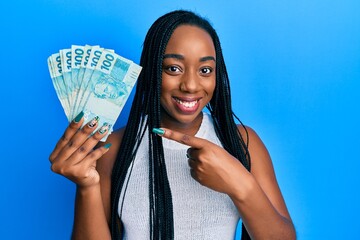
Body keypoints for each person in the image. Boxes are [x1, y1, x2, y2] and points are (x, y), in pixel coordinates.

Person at [49, 10, 296, 240]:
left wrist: (239, 184)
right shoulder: (114, 148)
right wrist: (87, 186)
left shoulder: (243, 142)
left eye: (205, 70)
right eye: (173, 68)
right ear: (152, 71)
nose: (190, 85)